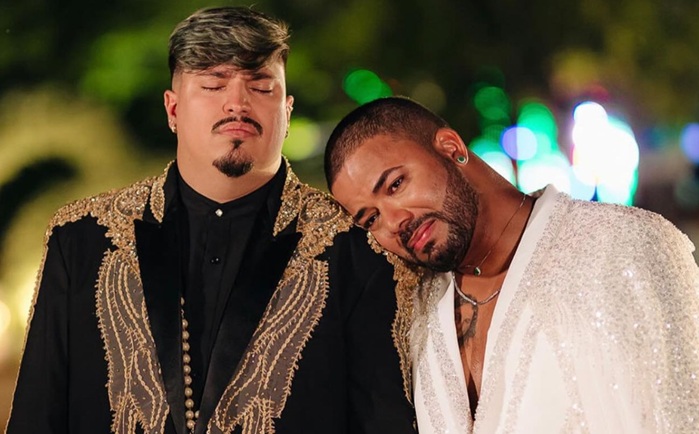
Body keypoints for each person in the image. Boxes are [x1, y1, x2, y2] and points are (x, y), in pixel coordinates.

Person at [6, 8, 416, 434]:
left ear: (287, 111)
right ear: (173, 109)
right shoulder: (82, 239)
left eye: (260, 86)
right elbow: (37, 417)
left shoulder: (356, 250)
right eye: (213, 84)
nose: (237, 103)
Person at [324, 96, 699, 433]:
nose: (394, 222)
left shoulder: (622, 245)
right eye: (371, 218)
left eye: (395, 185)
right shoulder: (417, 309)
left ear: (451, 147)